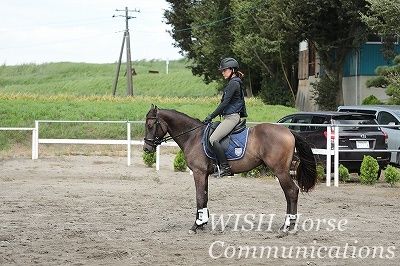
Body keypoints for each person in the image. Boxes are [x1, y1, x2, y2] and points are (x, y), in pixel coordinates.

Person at [203, 57, 247, 177]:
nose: (222, 72)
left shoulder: (234, 83)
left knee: (213, 139)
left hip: (232, 118)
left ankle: (225, 167)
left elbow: (224, 103)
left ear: (232, 70)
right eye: (222, 70)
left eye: (225, 70)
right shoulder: (233, 82)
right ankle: (216, 165)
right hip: (229, 116)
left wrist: (211, 116)